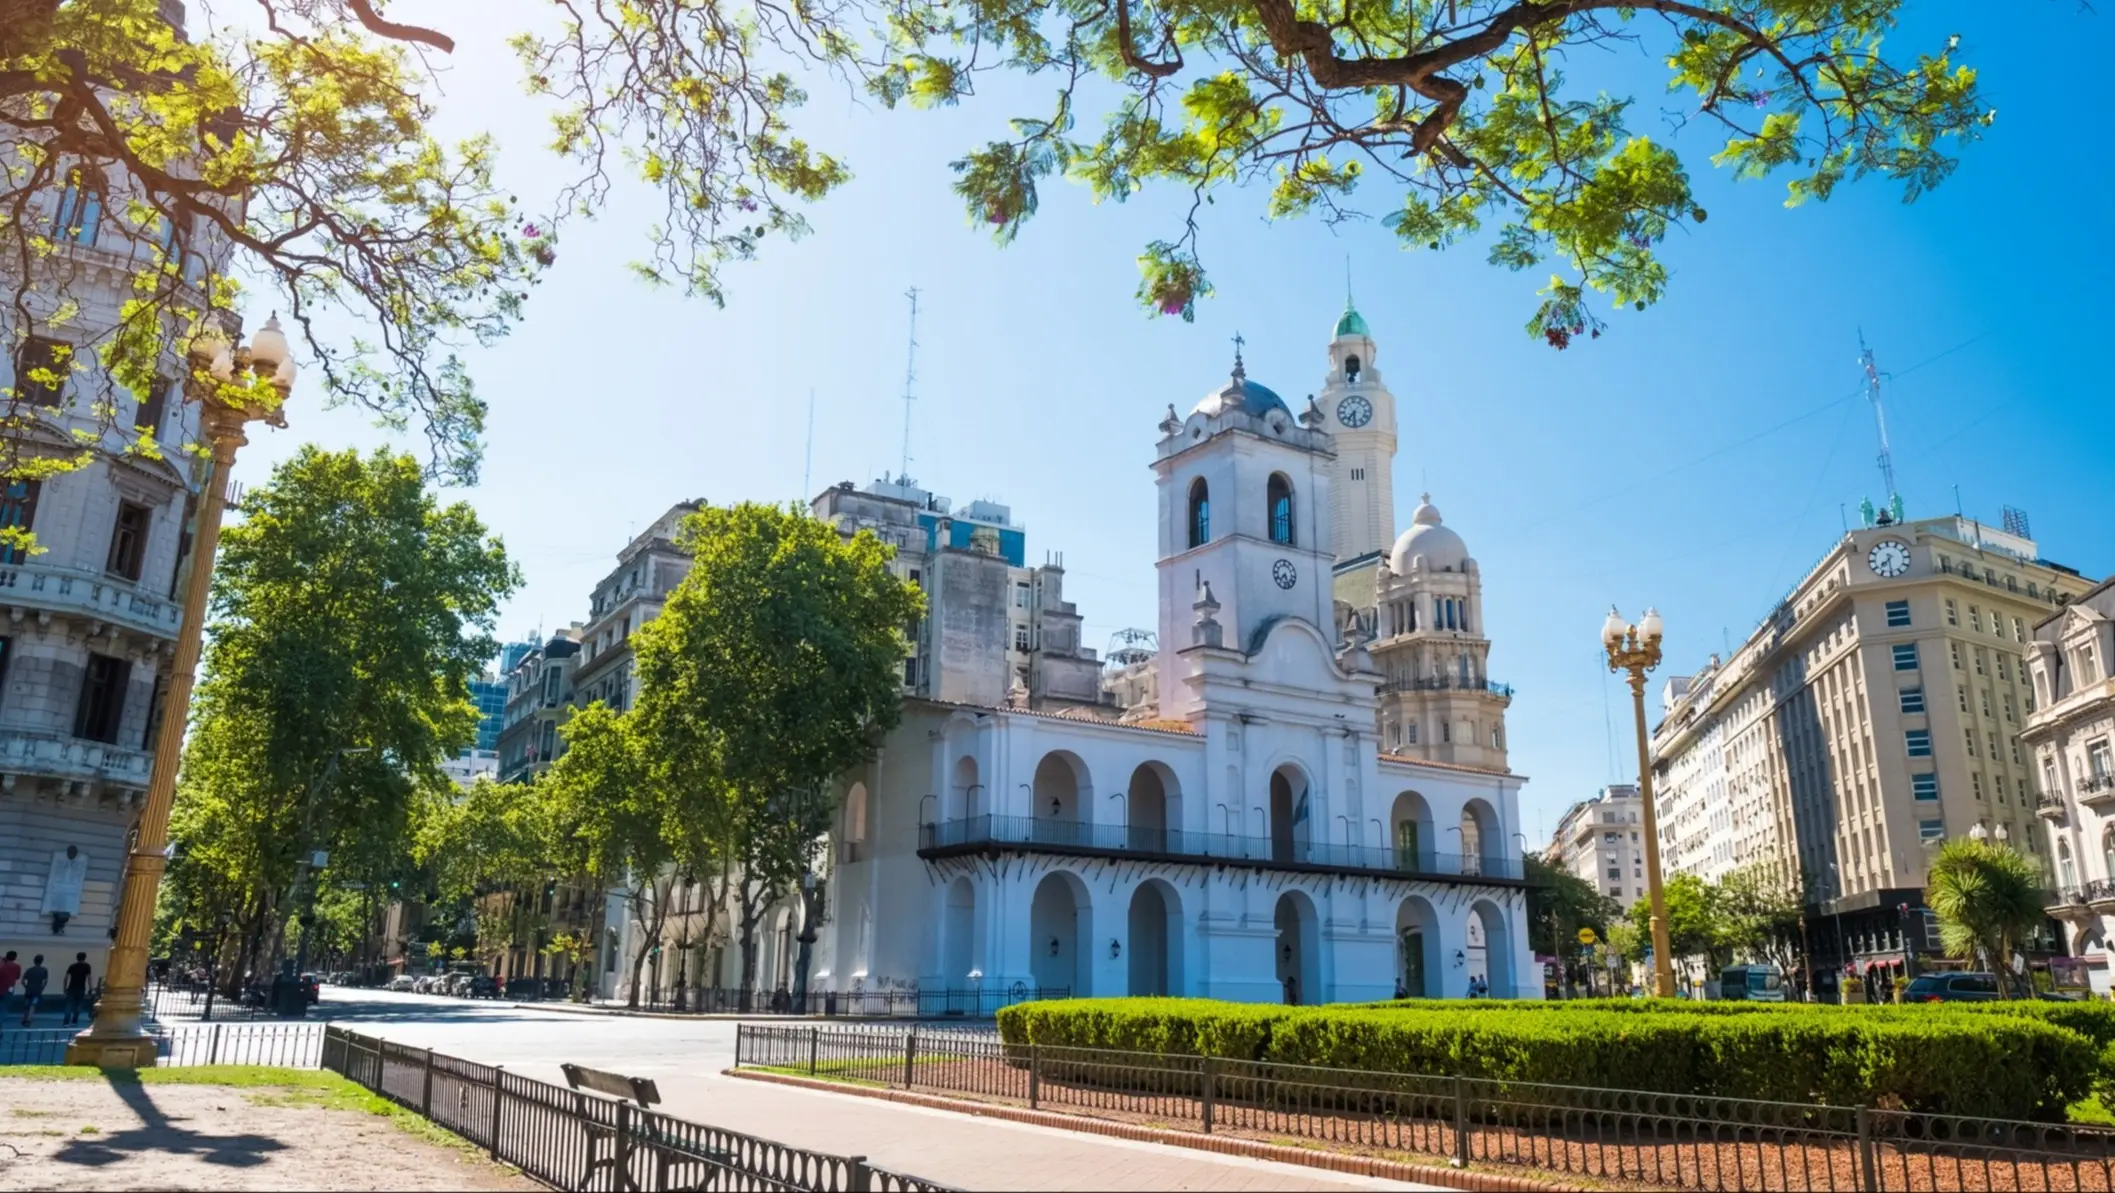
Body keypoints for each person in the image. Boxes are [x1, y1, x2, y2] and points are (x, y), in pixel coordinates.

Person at [63, 954, 93, 1026]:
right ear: (84, 958)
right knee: (79, 1005)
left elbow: (66, 978)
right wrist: (90, 988)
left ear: (77, 958)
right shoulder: (87, 966)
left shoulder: (72, 966)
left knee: (69, 1004)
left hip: (71, 988)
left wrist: (64, 988)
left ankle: (66, 1022)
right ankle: (74, 1021)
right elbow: (89, 978)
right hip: (81, 988)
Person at [19, 955, 48, 1025]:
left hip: (29, 989)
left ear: (34, 961)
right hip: (37, 990)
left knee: (26, 1004)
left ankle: (25, 1018)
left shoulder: (29, 970)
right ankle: (29, 1019)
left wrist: (26, 986)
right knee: (33, 1005)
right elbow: (45, 981)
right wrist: (42, 988)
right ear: (41, 961)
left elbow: (22, 980)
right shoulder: (44, 970)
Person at [0, 951, 19, 1030]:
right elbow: (17, 977)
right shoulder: (17, 967)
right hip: (9, 989)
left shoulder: (2, 966)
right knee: (5, 1006)